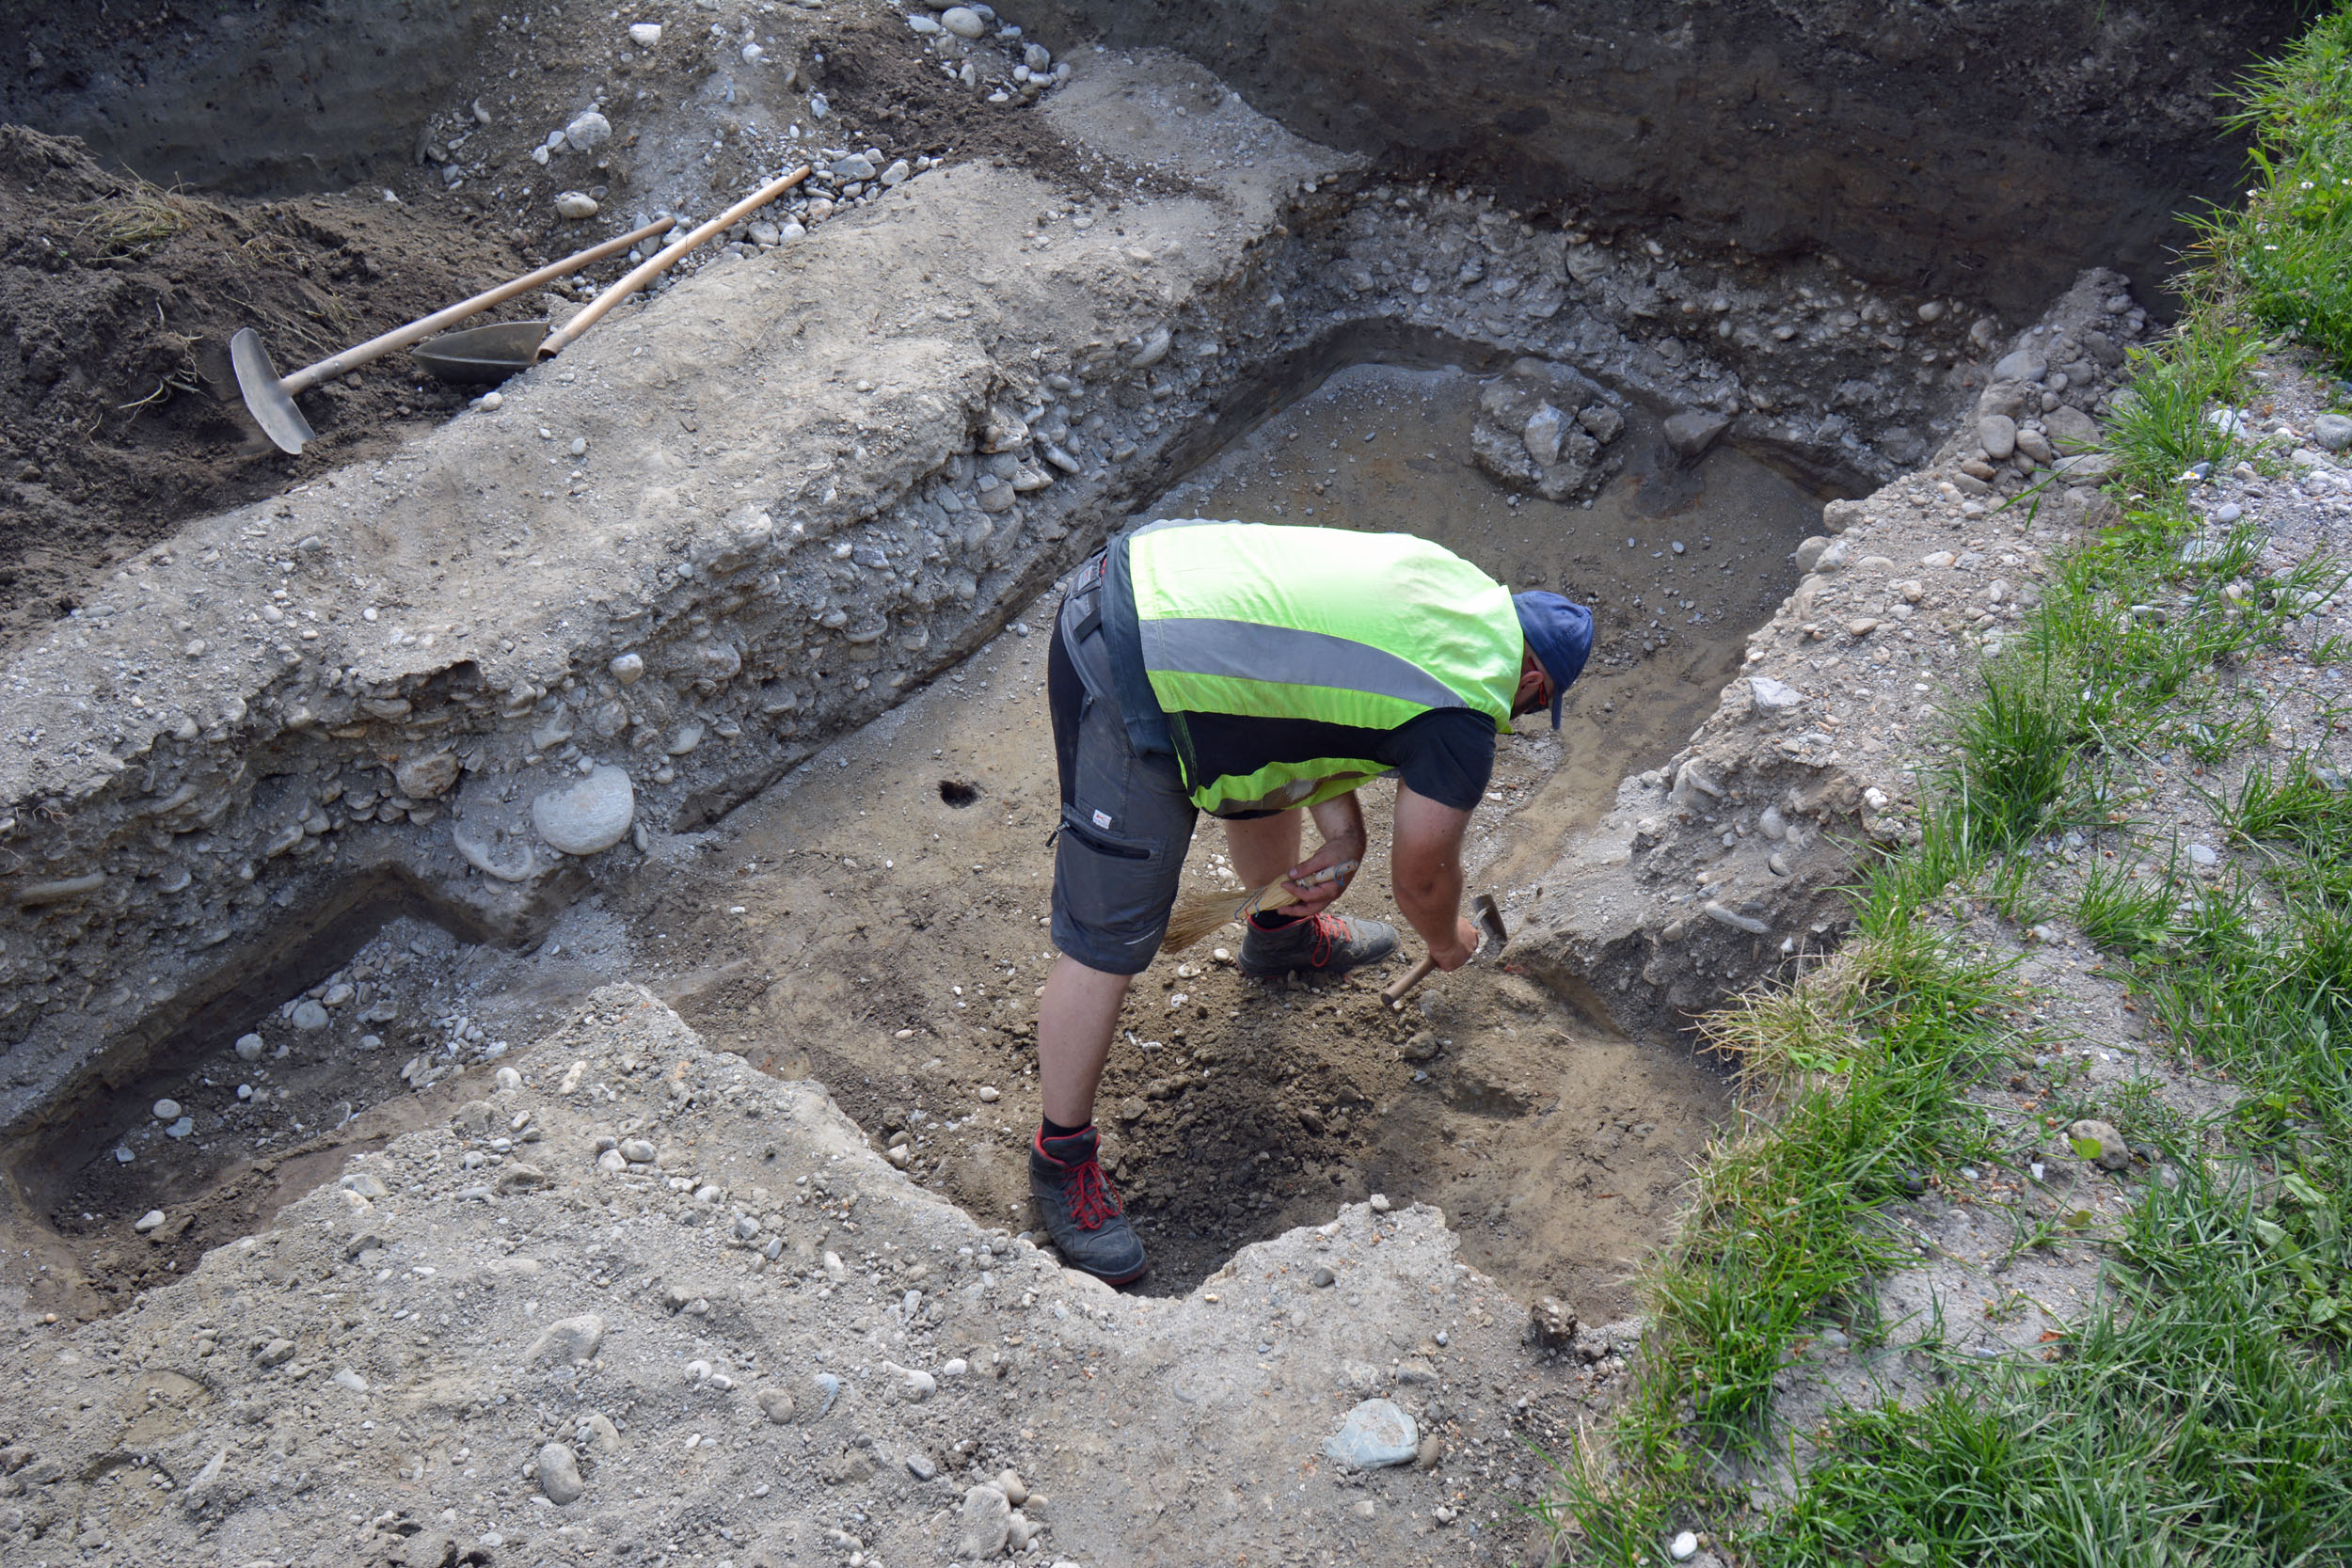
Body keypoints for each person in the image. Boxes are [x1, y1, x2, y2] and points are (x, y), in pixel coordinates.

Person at [1026, 518, 1594, 1283]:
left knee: (1259, 762)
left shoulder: (1449, 586)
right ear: (1535, 682)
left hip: (1166, 581)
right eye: (1536, 703)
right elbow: (1422, 879)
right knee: (1108, 939)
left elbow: (1307, 684)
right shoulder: (1465, 712)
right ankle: (1060, 1159)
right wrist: (1447, 938)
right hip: (1134, 660)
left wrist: (1344, 830)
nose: (1522, 713)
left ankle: (1279, 934)